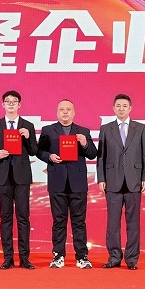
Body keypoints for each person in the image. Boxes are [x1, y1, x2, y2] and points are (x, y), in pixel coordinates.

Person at [36, 99, 98, 269]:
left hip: (78, 182)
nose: (65, 112)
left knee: (79, 221)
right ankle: (58, 255)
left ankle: (82, 256)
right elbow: (39, 151)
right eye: (62, 109)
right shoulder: (48, 130)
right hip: (57, 181)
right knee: (58, 221)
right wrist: (49, 157)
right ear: (57, 112)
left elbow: (93, 154)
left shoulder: (83, 131)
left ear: (74, 112)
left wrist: (85, 143)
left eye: (68, 109)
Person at [96, 94, 145, 270]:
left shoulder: (140, 128)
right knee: (113, 223)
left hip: (134, 181)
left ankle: (132, 259)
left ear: (130, 108)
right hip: (112, 181)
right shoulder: (106, 129)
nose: (121, 109)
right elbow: (101, 157)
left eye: (124, 106)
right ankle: (114, 257)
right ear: (113, 108)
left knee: (133, 223)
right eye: (118, 106)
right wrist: (101, 178)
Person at [0, 90, 39, 269]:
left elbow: (34, 151)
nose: (11, 104)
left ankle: (24, 258)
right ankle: (8, 258)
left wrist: (28, 137)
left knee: (23, 217)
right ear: (3, 104)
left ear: (19, 105)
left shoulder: (27, 126)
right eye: (7, 101)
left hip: (22, 177)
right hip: (3, 176)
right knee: (5, 217)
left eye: (14, 101)